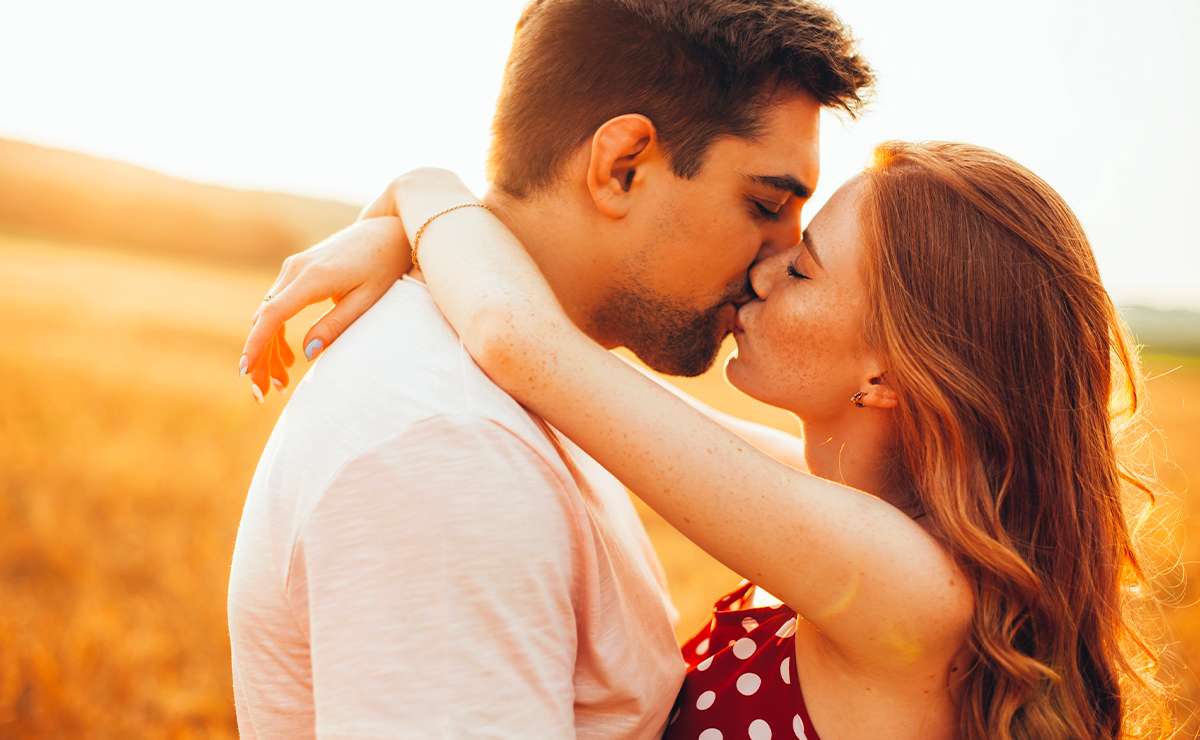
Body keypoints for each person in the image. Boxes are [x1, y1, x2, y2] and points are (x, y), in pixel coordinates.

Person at [242, 146, 1172, 738]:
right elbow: (603, 403)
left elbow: (525, 348)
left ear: (888, 375)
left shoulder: (907, 582)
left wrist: (419, 190)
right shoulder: (862, 521)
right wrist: (409, 248)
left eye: (803, 268)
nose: (761, 273)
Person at [228, 1, 873, 738]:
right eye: (764, 203)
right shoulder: (454, 453)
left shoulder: (543, 398)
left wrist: (423, 204)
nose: (777, 262)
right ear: (621, 167)